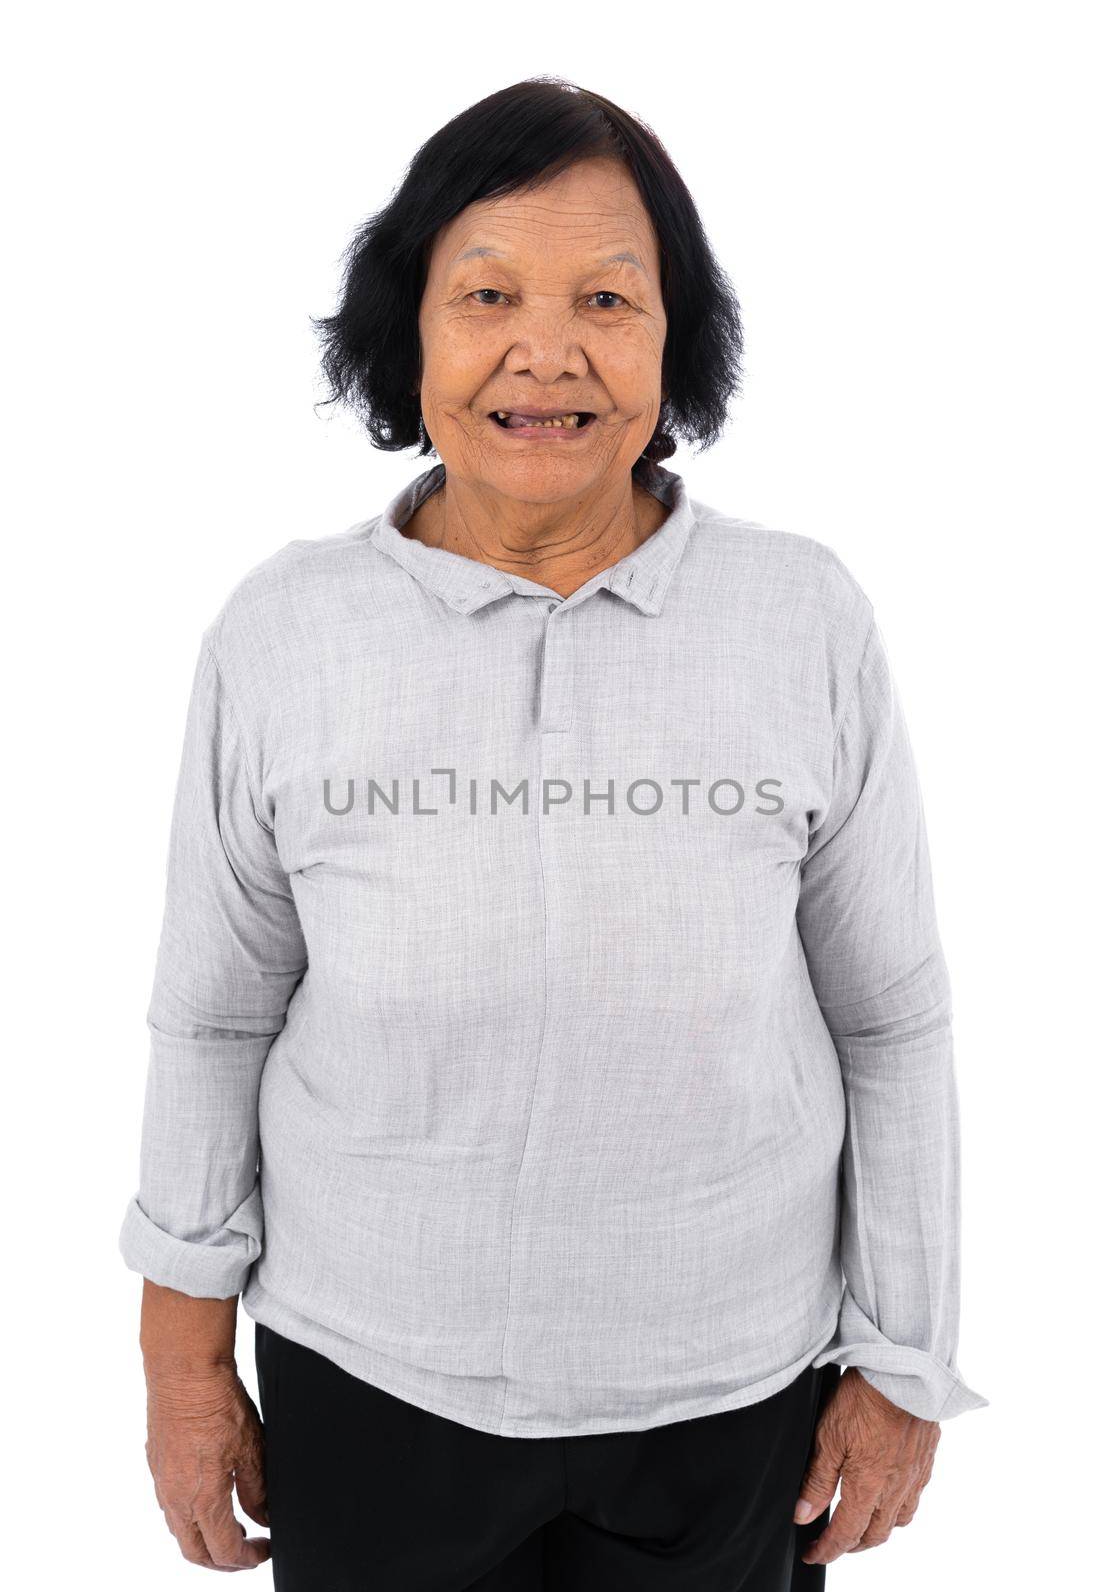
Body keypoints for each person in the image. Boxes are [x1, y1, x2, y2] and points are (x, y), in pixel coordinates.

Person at [119, 77, 988, 1590]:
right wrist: (183, 1367)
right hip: (370, 1382)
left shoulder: (802, 619)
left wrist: (904, 1358)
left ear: (675, 339)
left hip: (730, 1403)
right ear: (412, 335)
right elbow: (212, 1018)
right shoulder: (283, 633)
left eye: (607, 297)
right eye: (488, 295)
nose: (547, 351)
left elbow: (891, 1019)